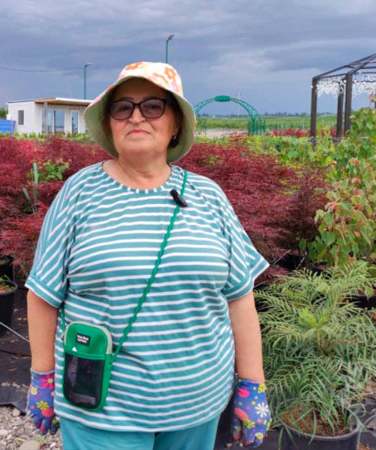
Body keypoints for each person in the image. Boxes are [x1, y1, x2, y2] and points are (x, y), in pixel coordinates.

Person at [25, 62, 270, 449]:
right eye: (123, 108)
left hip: (197, 405)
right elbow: (42, 294)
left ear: (175, 124)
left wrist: (252, 384)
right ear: (110, 124)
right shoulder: (79, 194)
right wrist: (42, 375)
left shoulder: (209, 197)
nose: (136, 116)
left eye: (153, 106)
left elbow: (239, 297)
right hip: (101, 407)